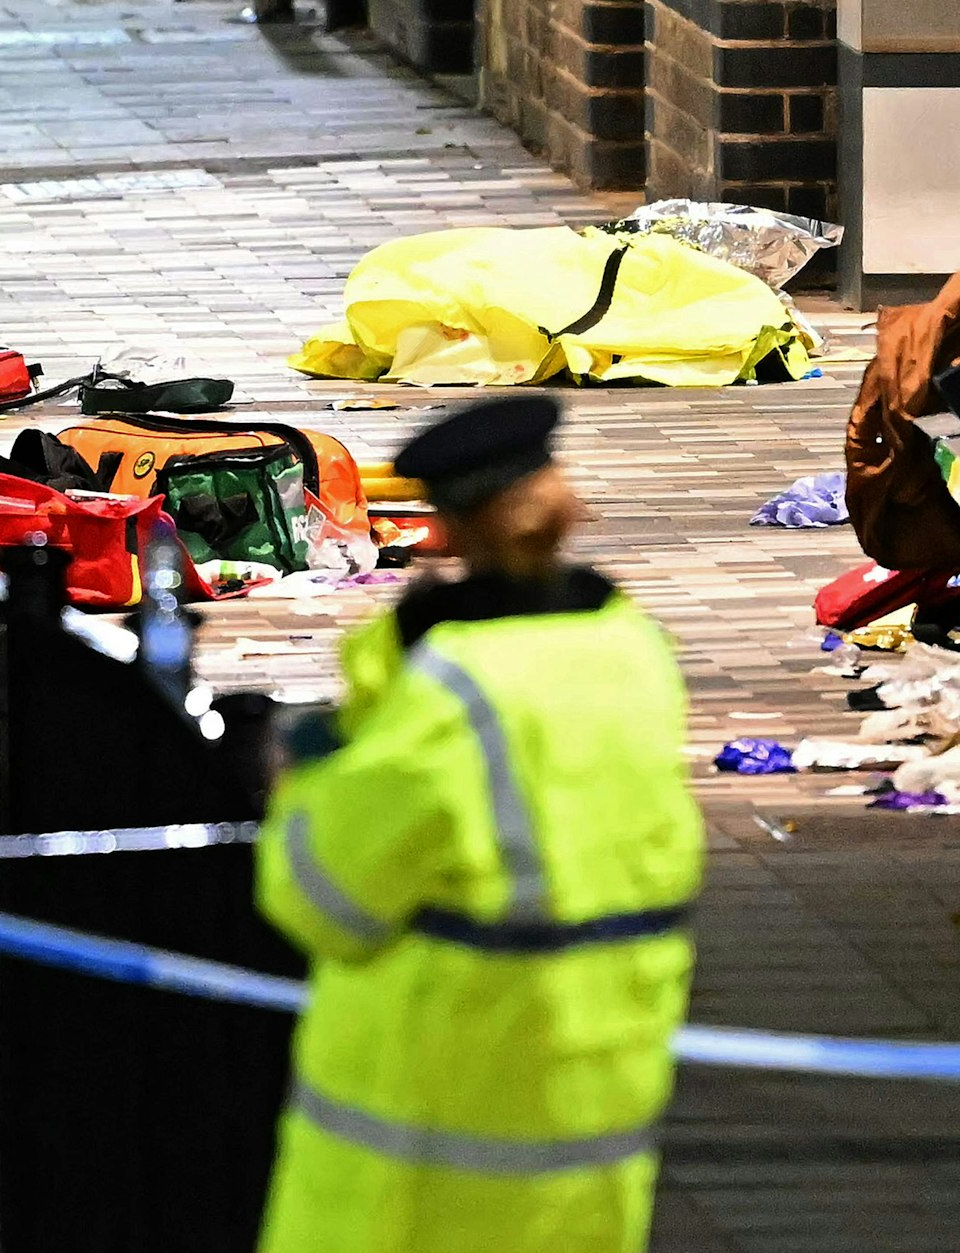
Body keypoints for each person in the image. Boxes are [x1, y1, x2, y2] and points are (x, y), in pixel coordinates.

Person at [252, 395, 704, 1253]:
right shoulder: (633, 649)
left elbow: (323, 899)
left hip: (426, 1149)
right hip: (594, 1118)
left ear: (449, 530)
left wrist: (306, 774)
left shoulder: (453, 692)